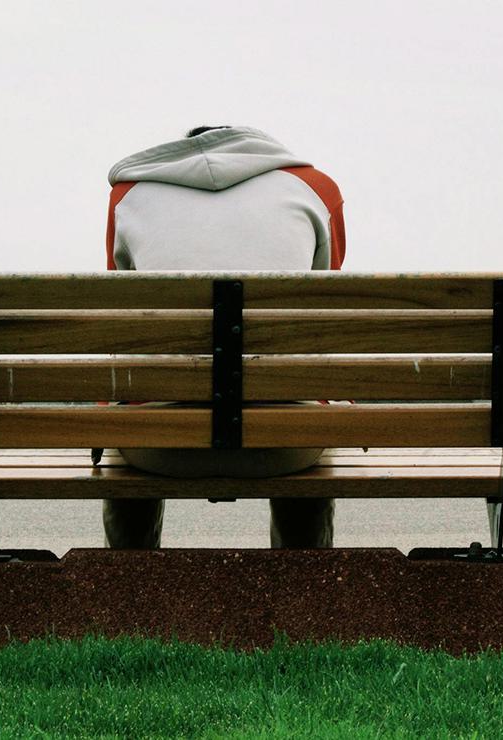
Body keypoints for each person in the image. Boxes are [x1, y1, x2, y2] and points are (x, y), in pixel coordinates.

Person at [103, 125, 346, 549]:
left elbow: (126, 320)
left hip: (157, 448)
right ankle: (306, 589)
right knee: (305, 405)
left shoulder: (129, 196)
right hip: (286, 447)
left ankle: (127, 588)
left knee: (130, 412)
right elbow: (322, 313)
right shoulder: (316, 189)